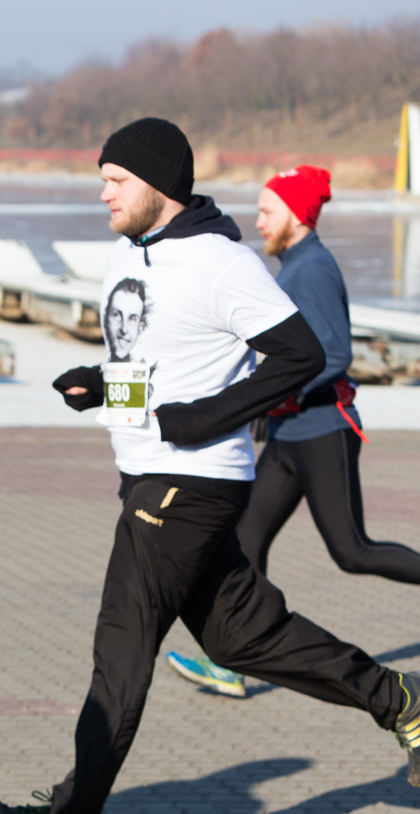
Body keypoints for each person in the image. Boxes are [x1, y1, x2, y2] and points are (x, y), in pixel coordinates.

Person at [0, 118, 419, 814]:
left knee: (122, 642)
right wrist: (102, 387)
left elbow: (301, 356)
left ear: (157, 185)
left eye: (116, 179)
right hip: (150, 477)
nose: (103, 192)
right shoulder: (130, 255)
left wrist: (202, 420)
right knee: (244, 637)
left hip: (191, 483)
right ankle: (402, 701)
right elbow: (160, 364)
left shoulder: (223, 263)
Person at [167, 165, 420, 699]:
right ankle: (232, 664)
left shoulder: (312, 270)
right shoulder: (291, 267)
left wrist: (274, 391)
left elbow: (335, 355)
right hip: (287, 434)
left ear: (296, 216)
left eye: (267, 211)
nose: (257, 221)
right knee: (245, 538)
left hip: (324, 430)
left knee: (353, 552)